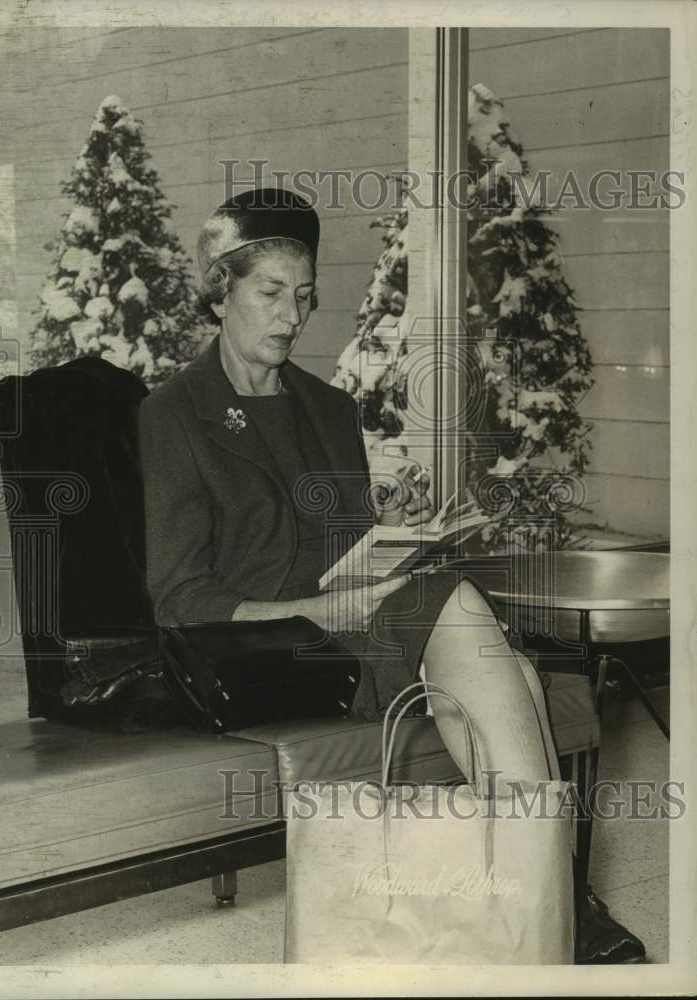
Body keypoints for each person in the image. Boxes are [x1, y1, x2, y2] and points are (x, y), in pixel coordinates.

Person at [138, 187, 645, 964]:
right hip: (270, 652)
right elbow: (179, 598)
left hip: (359, 623)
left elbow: (342, 545)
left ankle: (544, 904)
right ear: (220, 292)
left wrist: (399, 537)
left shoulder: (326, 407)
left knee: (476, 628)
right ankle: (560, 903)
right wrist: (319, 610)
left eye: (302, 297)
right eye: (269, 292)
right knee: (489, 648)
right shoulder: (172, 413)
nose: (290, 315)